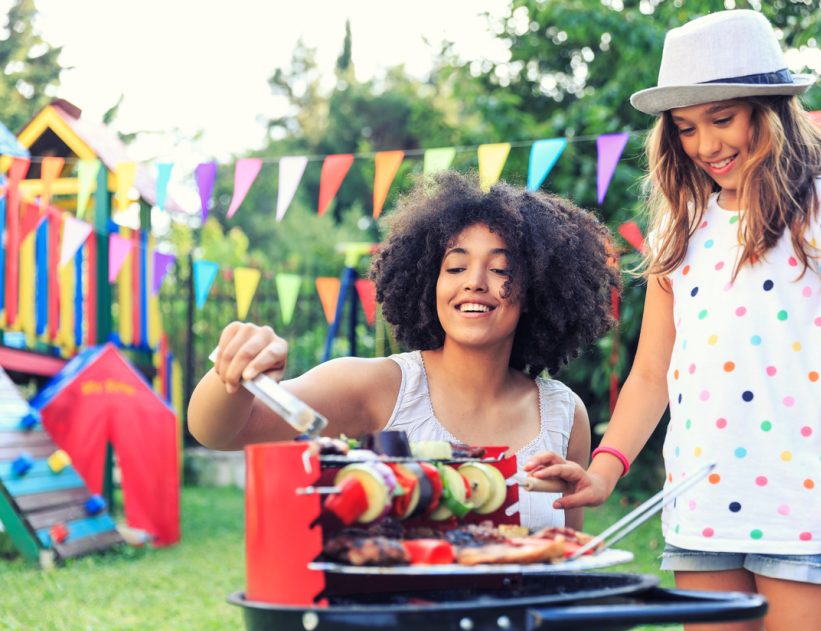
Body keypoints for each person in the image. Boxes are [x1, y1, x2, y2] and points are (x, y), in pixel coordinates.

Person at [525, 9, 821, 631]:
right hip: (698, 510)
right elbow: (651, 374)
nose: (705, 145)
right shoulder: (679, 227)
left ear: (769, 109)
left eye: (722, 119)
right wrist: (604, 469)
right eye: (686, 129)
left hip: (806, 509)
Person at [188, 170, 621, 532]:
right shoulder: (377, 387)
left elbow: (566, 559)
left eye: (501, 269)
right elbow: (221, 433)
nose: (474, 281)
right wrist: (234, 374)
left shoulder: (565, 413)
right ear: (429, 282)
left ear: (534, 292)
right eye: (455, 267)